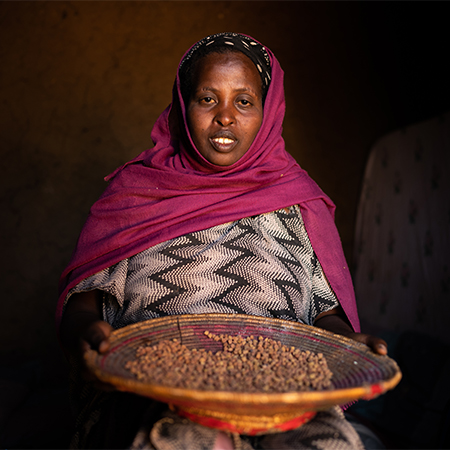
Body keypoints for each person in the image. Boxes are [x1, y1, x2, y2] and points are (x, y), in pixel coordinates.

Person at [57, 32, 388, 449]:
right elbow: (85, 297)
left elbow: (324, 310)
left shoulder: (298, 201)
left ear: (268, 112)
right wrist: (87, 332)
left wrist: (345, 343)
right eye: (208, 99)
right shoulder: (136, 193)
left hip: (282, 391)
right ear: (184, 105)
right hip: (160, 388)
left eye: (244, 101)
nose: (225, 117)